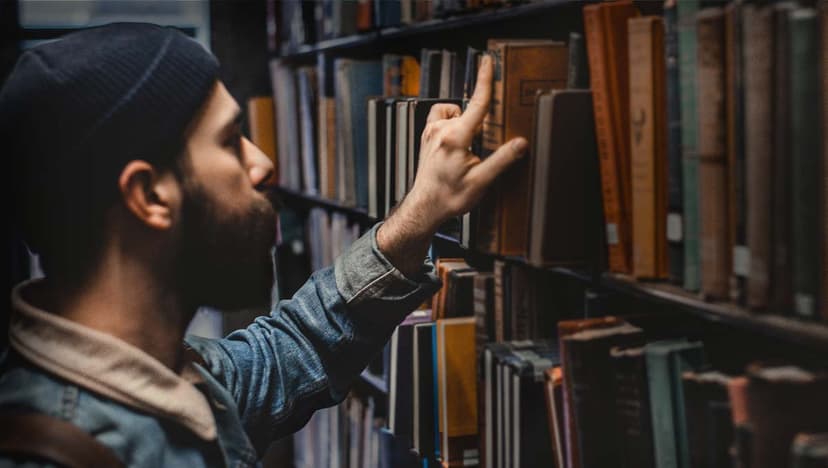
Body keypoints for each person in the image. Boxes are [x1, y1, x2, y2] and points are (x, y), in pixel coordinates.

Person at [0, 23, 527, 467]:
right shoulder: (59, 450)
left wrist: (420, 211)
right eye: (230, 142)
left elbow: (292, 350)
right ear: (147, 196)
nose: (263, 164)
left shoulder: (170, 373)